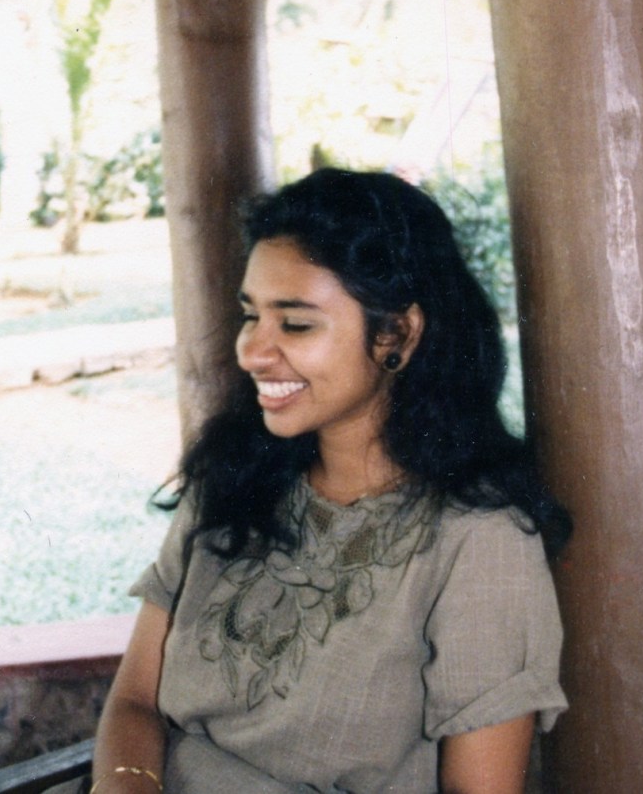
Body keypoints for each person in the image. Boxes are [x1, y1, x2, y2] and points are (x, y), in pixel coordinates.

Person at [92, 168, 572, 793]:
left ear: (397, 333)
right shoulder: (235, 476)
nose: (252, 351)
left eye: (295, 324)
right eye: (250, 316)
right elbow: (135, 700)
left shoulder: (479, 541)